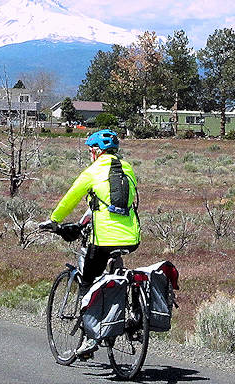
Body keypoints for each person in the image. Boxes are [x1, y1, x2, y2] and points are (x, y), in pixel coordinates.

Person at [40, 129, 140, 357]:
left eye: (90, 151)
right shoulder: (128, 169)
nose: (89, 155)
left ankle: (90, 337)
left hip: (103, 238)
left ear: (96, 151)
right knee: (115, 273)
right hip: (131, 237)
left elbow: (71, 197)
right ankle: (126, 316)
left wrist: (54, 220)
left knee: (87, 281)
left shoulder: (93, 171)